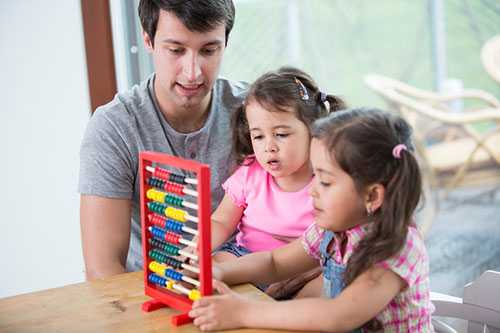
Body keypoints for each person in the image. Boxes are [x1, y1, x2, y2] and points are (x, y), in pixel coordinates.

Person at [189, 108, 435, 332]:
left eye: (325, 181)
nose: (312, 190)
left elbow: (338, 316)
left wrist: (244, 312)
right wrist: (218, 271)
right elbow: (275, 262)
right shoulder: (331, 230)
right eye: (314, 175)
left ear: (372, 195)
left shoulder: (396, 248)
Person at [78, 0, 247, 280]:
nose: (192, 72)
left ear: (225, 43)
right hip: (154, 297)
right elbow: (102, 271)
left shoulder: (254, 112)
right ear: (148, 40)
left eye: (208, 50)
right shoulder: (114, 127)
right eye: (176, 50)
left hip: (246, 285)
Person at [210, 67, 346, 265]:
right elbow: (221, 221)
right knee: (215, 264)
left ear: (314, 130)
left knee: (326, 285)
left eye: (281, 134)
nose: (269, 147)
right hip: (246, 257)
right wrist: (197, 247)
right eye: (258, 136)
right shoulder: (249, 173)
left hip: (302, 268)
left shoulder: (326, 182)